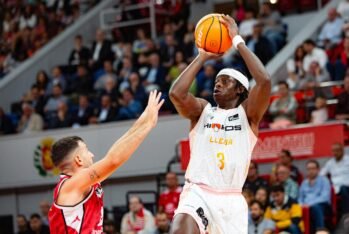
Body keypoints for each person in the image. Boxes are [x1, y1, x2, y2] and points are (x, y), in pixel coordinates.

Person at [169, 14, 271, 234]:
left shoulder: (248, 115)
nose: (218, 84)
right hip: (198, 192)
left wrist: (237, 40)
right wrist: (202, 57)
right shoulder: (203, 111)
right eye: (216, 81)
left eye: (225, 81)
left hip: (231, 201)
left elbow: (264, 80)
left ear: (240, 89)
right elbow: (176, 94)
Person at [48, 91, 164, 233]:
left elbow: (117, 149)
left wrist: (143, 119)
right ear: (78, 159)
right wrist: (148, 126)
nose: (92, 154)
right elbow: (113, 160)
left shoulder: (80, 184)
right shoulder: (71, 184)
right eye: (86, 150)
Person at [299, 160, 331, 233]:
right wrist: (302, 205)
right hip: (306, 207)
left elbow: (324, 197)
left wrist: (309, 204)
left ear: (318, 169)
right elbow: (300, 198)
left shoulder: (324, 180)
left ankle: (320, 231)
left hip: (322, 206)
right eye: (309, 169)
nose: (311, 171)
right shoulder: (304, 183)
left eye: (313, 168)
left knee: (316, 207)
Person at [320, 142, 349, 216]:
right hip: (335, 189)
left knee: (343, 189)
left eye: (337, 150)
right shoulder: (330, 163)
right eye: (333, 151)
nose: (335, 153)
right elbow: (321, 174)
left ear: (342, 150)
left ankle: (346, 215)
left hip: (347, 186)